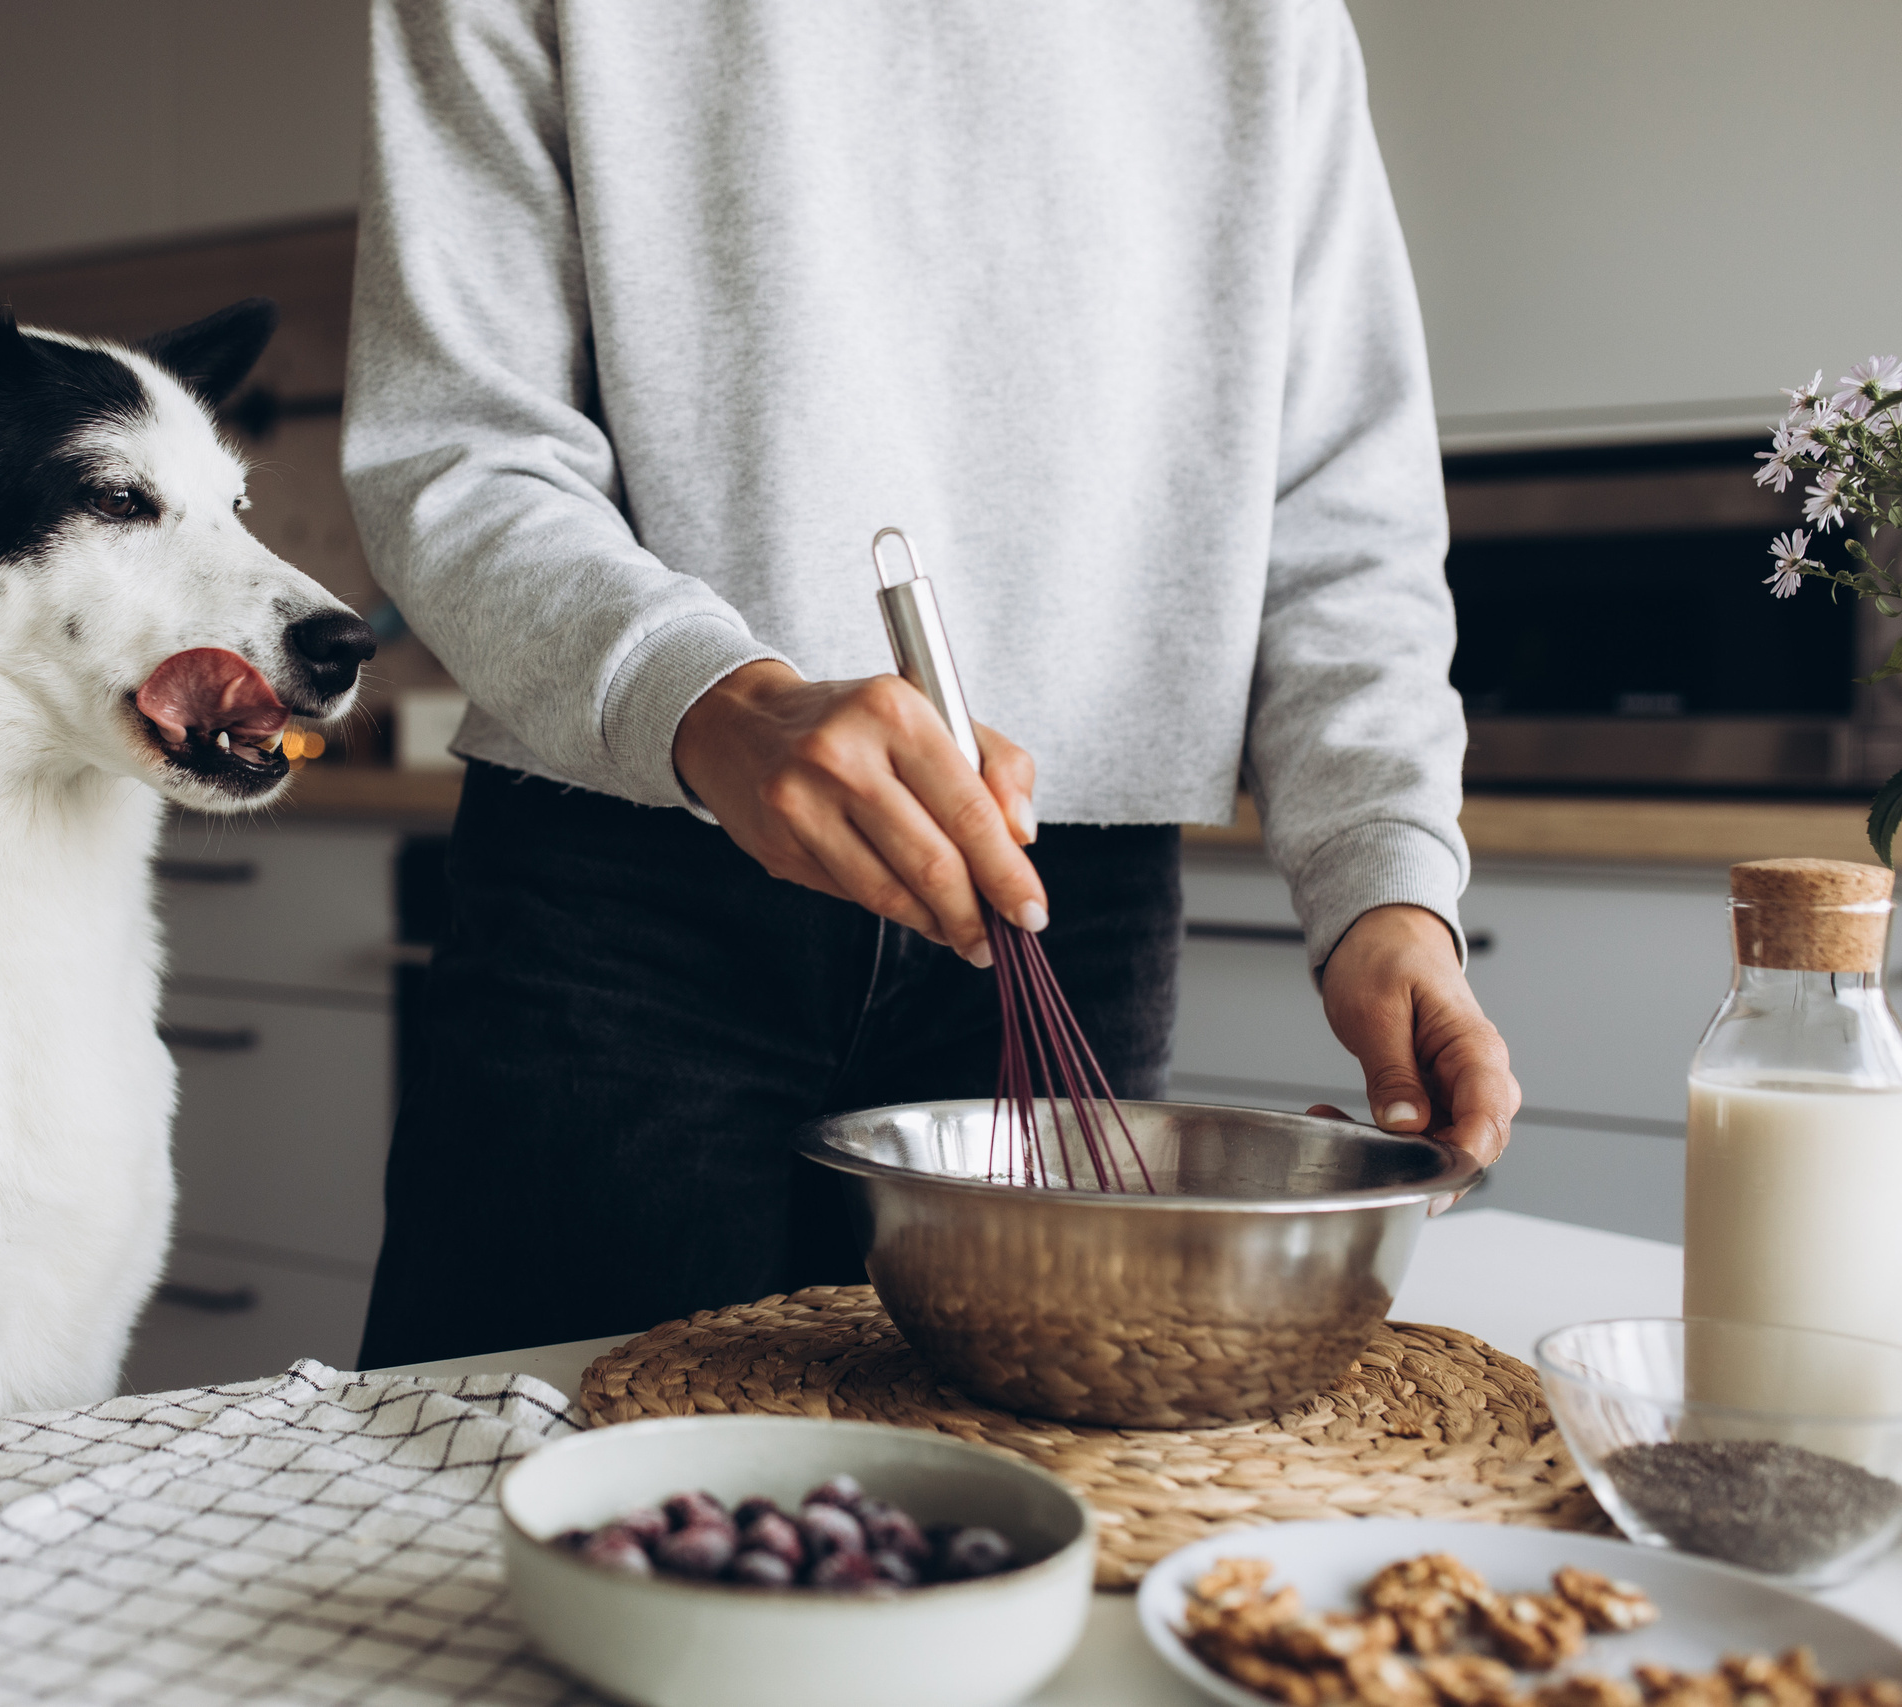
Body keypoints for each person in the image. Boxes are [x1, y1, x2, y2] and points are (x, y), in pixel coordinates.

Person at [340, 0, 1518, 1368]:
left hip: (1068, 913)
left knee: (1018, 1518)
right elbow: (459, 448)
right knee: (481, 1488)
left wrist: (1385, 890)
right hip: (625, 895)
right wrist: (708, 699)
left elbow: (1342, 514)